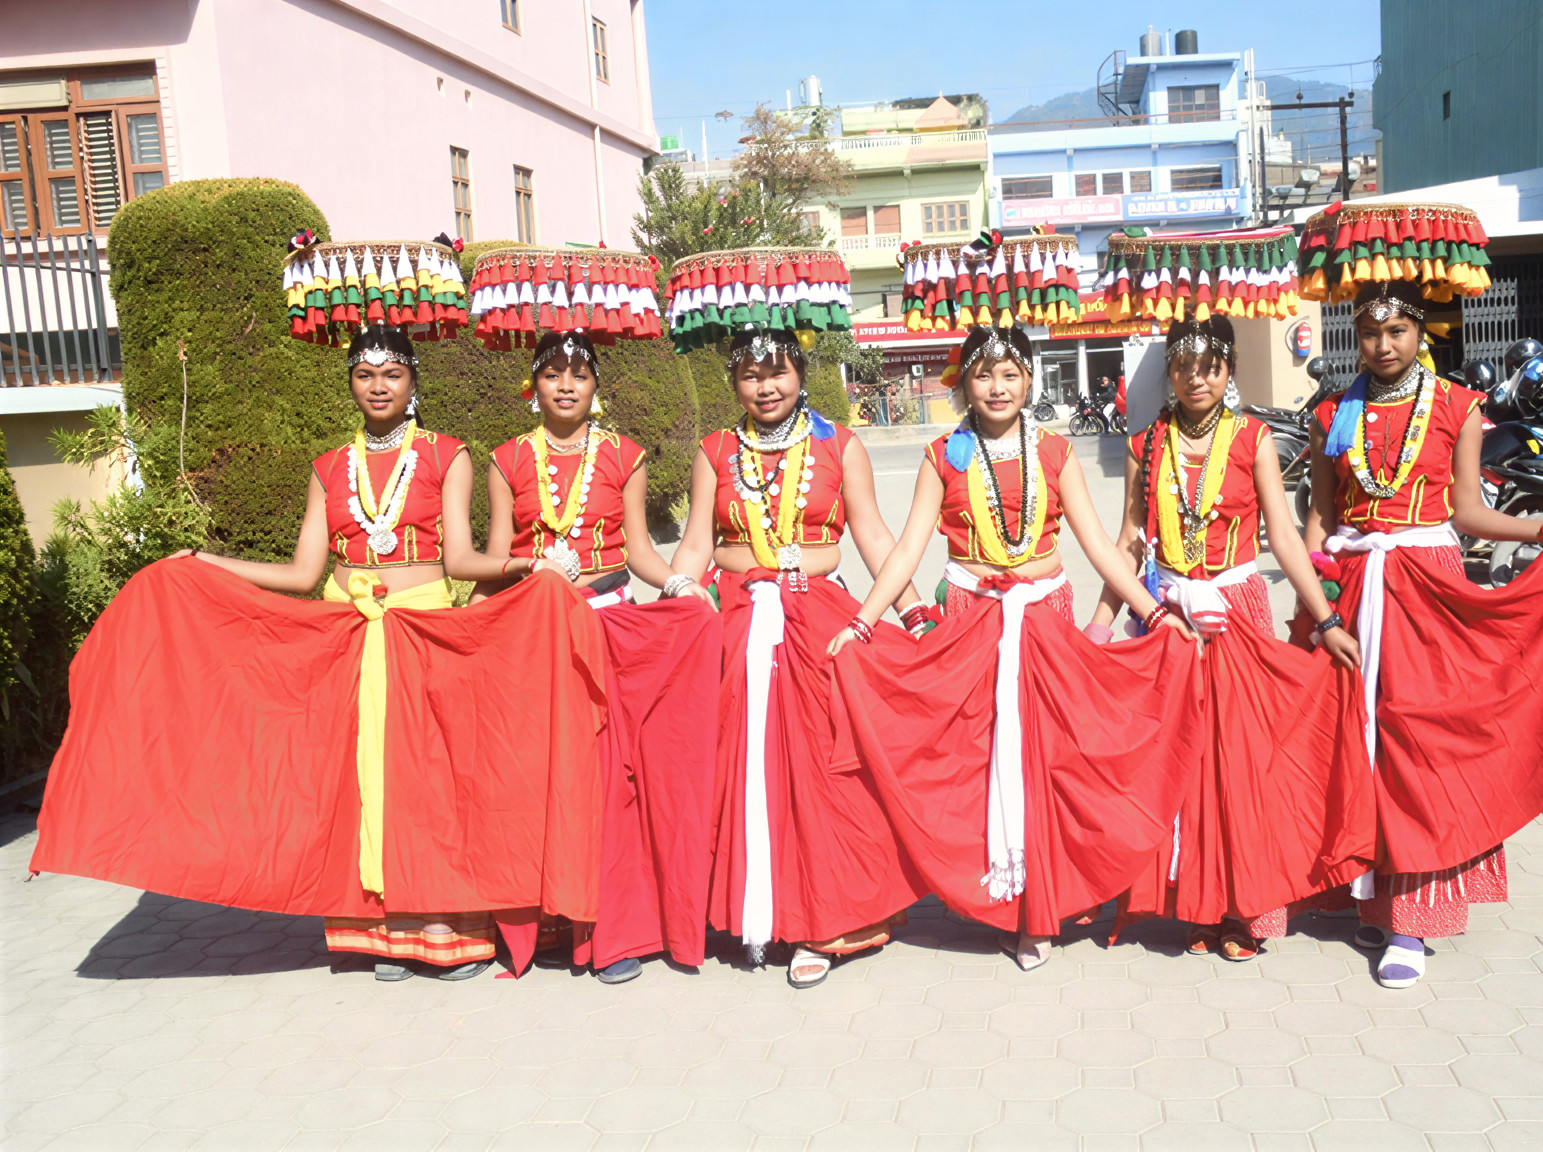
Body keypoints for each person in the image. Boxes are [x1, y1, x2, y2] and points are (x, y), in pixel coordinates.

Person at [32, 324, 611, 982]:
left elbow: (459, 559)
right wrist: (205, 563)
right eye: (365, 376)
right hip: (347, 639)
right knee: (354, 788)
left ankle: (442, 926)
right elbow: (305, 571)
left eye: (392, 374)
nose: (379, 386)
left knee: (426, 789)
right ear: (352, 386)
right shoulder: (329, 467)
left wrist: (538, 566)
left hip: (423, 640)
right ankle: (377, 933)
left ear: (413, 381)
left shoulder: (449, 456)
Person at [829, 324, 1201, 971]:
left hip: (1044, 626)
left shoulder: (1056, 452)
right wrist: (862, 623)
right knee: (972, 764)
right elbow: (909, 546)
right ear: (963, 384)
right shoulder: (942, 453)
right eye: (983, 374)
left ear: (1029, 380)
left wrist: (1153, 611)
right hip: (971, 624)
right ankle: (992, 898)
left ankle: (1040, 907)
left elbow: (1096, 546)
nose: (997, 387)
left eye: (1009, 374)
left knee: (1046, 765)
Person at [1300, 279, 1543, 988]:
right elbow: (1319, 524)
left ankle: (1414, 922)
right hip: (1352, 589)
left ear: (1422, 332)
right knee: (1349, 743)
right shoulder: (1330, 411)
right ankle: (1364, 892)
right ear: (1352, 337)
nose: (1383, 345)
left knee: (1422, 744)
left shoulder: (1458, 405)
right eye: (1368, 333)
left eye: (1397, 332)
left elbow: (1468, 513)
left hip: (1428, 589)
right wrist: (1315, 606)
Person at [1086, 314, 1374, 961]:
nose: (1197, 378)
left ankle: (1244, 910)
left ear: (1229, 370)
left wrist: (1324, 620)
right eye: (1184, 365)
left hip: (1238, 611)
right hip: (1169, 617)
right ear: (1170, 371)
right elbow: (1128, 544)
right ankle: (1198, 904)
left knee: (1241, 765)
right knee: (1181, 765)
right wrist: (1098, 626)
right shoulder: (1145, 444)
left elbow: (1281, 533)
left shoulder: (1253, 438)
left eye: (1211, 365)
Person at [665, 326, 930, 989]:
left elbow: (871, 533)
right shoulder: (716, 449)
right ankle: (754, 912)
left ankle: (825, 922)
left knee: (820, 773)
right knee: (737, 772)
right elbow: (697, 543)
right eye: (751, 377)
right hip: (734, 624)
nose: (766, 387)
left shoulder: (838, 444)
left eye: (778, 372)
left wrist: (917, 615)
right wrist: (673, 602)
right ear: (734, 383)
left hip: (817, 624)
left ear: (800, 373)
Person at [475, 330, 721, 984]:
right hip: (537, 635)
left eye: (579, 376)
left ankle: (616, 932)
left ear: (596, 388)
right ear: (533, 385)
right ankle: (554, 922)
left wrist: (678, 585)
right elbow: (498, 555)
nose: (565, 386)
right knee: (549, 777)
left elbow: (638, 550)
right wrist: (472, 621)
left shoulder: (625, 456)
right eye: (552, 374)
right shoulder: (507, 460)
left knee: (614, 784)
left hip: (610, 627)